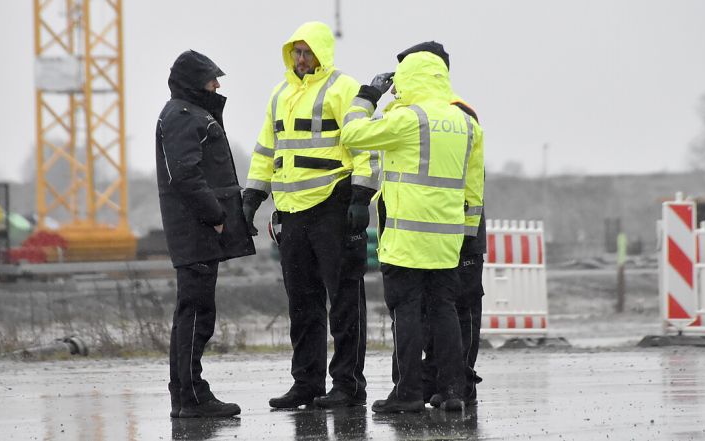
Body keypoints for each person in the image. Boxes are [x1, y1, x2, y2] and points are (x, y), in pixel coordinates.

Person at [242, 21, 379, 409]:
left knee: (345, 301)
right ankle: (307, 383)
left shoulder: (344, 88)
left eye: (307, 52)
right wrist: (252, 197)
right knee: (302, 305)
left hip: (333, 206)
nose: (301, 59)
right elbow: (265, 151)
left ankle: (348, 385)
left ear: (321, 54)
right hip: (292, 213)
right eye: (296, 52)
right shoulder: (279, 94)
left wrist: (361, 197)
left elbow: (365, 147)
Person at [340, 49, 485, 413]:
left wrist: (367, 96)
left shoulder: (409, 118)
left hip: (406, 237)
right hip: (447, 238)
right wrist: (468, 233)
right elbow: (474, 186)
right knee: (444, 311)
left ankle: (408, 394)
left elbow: (352, 135)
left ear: (407, 78)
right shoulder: (466, 122)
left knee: (406, 312)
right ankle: (453, 392)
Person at [156, 50, 256, 418]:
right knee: (197, 314)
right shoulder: (184, 116)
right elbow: (185, 175)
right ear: (194, 81)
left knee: (192, 312)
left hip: (194, 231)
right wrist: (215, 216)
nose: (216, 85)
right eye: (211, 79)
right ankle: (192, 396)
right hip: (196, 231)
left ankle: (185, 395)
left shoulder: (188, 113)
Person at [392, 42, 487, 408]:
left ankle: (460, 382)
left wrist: (469, 232)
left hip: (457, 228)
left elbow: (472, 180)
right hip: (431, 229)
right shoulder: (410, 112)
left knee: (460, 306)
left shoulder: (457, 113)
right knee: (432, 310)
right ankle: (435, 383)